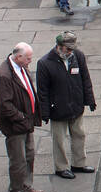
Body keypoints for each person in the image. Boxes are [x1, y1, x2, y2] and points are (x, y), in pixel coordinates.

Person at [36, 31, 96, 179]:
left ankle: (79, 163)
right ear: (59, 46)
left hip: (76, 104)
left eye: (72, 49)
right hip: (58, 108)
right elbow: (42, 91)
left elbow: (85, 80)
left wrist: (90, 100)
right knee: (59, 140)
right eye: (68, 49)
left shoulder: (78, 56)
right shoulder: (44, 63)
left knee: (79, 135)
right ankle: (61, 167)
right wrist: (45, 113)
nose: (71, 52)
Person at [0, 43, 43, 192]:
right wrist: (21, 117)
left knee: (29, 155)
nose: (30, 61)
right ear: (18, 57)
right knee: (18, 160)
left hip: (25, 122)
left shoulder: (20, 67)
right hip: (16, 125)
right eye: (28, 58)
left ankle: (26, 186)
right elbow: (5, 105)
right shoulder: (4, 75)